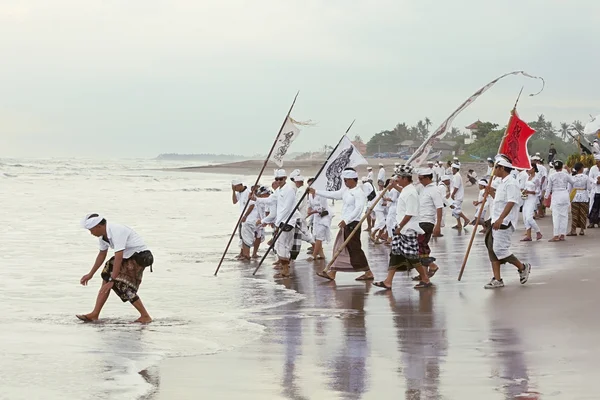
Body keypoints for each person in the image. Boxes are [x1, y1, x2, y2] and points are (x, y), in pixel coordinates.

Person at [77, 214, 153, 323]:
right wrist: (90, 274)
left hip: (141, 256)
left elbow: (118, 257)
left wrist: (112, 280)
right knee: (106, 275)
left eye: (91, 230)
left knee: (120, 284)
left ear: (99, 226)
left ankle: (145, 316)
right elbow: (102, 254)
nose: (91, 233)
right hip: (127, 256)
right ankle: (95, 314)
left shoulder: (116, 230)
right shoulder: (103, 236)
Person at [374, 166, 433, 290]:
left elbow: (410, 213)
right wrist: (394, 186)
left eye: (399, 178)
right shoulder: (407, 190)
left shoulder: (411, 192)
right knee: (395, 254)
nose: (397, 180)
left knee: (412, 256)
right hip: (401, 228)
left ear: (406, 179)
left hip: (407, 229)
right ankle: (388, 281)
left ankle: (425, 279)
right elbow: (403, 193)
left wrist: (400, 227)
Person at [310, 168, 374, 282]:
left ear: (352, 180)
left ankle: (367, 272)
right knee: (341, 247)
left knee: (354, 248)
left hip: (353, 224)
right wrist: (316, 191)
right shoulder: (346, 190)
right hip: (345, 224)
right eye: (344, 180)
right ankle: (333, 272)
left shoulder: (358, 192)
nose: (344, 183)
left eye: (346, 180)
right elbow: (334, 194)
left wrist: (347, 220)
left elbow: (359, 209)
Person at [483, 155, 532, 289]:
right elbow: (499, 201)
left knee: (500, 249)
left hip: (504, 221)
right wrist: (490, 192)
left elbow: (511, 202)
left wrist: (501, 219)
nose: (494, 170)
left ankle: (522, 267)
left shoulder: (511, 183)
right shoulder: (502, 182)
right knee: (492, 249)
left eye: (496, 168)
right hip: (495, 219)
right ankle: (497, 279)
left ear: (502, 168)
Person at [260, 169, 300, 278]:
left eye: (280, 179)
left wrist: (277, 223)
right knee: (280, 245)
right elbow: (270, 199)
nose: (278, 181)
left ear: (285, 178)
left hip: (287, 221)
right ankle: (285, 269)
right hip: (281, 221)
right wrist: (256, 199)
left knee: (283, 245)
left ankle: (285, 270)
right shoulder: (279, 190)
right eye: (276, 179)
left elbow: (287, 208)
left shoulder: (289, 190)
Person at [411, 167, 443, 284]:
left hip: (428, 222)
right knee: (422, 248)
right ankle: (423, 274)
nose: (419, 180)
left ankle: (432, 265)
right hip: (420, 220)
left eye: (421, 178)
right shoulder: (422, 188)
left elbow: (439, 207)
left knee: (419, 247)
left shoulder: (434, 190)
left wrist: (438, 225)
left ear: (427, 178)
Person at [544, 160, 574, 242]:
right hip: (564, 194)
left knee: (556, 216)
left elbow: (548, 188)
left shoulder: (552, 176)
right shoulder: (566, 175)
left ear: (554, 167)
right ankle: (562, 234)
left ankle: (556, 235)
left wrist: (546, 197)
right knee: (564, 216)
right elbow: (573, 182)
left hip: (556, 195)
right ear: (562, 167)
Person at [306, 181, 332, 261]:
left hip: (325, 215)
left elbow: (323, 207)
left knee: (319, 235)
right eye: (309, 184)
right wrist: (308, 213)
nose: (310, 186)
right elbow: (309, 206)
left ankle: (314, 255)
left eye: (312, 184)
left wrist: (312, 212)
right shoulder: (310, 195)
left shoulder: (321, 194)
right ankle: (321, 254)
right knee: (316, 234)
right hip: (316, 217)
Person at [567, 162, 590, 236]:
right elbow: (589, 188)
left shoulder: (572, 177)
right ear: (581, 168)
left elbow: (569, 189)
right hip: (584, 197)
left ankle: (573, 230)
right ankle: (582, 230)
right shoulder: (586, 177)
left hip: (575, 197)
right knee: (583, 214)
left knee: (575, 214)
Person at [520, 166, 542, 241]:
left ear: (533, 169)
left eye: (529, 168)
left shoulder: (537, 179)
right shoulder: (527, 177)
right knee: (525, 217)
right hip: (526, 198)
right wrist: (523, 191)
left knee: (529, 217)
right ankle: (528, 235)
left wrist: (530, 192)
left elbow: (538, 191)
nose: (528, 170)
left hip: (532, 198)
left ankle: (538, 231)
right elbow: (526, 187)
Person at [231, 180, 250, 259]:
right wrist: (233, 192)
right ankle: (242, 252)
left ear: (239, 185)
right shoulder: (239, 193)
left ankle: (246, 254)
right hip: (241, 217)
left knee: (246, 236)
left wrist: (245, 216)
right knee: (241, 235)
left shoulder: (248, 192)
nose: (235, 189)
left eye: (235, 188)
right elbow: (234, 201)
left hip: (247, 218)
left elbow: (251, 206)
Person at [449, 163, 470, 229]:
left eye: (452, 169)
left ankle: (466, 219)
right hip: (456, 196)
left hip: (457, 196)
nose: (452, 170)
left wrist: (452, 195)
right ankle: (459, 224)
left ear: (455, 169)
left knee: (455, 209)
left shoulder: (457, 176)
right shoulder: (455, 176)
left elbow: (456, 187)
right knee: (454, 211)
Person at [588, 155, 600, 228]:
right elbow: (590, 177)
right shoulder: (593, 168)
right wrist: (596, 181)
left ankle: (599, 221)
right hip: (595, 190)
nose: (597, 163)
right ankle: (591, 221)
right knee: (593, 206)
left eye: (598, 162)